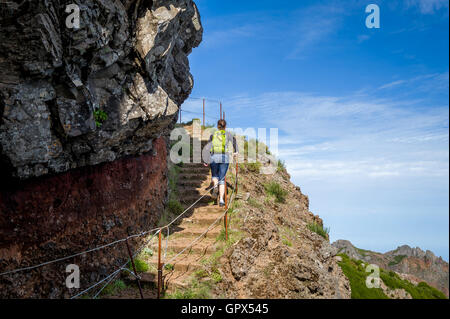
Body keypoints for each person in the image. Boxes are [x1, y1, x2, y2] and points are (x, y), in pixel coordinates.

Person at [203, 119, 238, 207]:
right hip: (224, 157)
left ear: (217, 126)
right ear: (225, 126)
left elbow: (207, 147)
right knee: (222, 179)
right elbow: (234, 142)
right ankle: (222, 200)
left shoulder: (213, 135)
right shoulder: (228, 134)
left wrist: (206, 159)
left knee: (215, 176)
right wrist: (236, 152)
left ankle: (215, 187)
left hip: (214, 157)